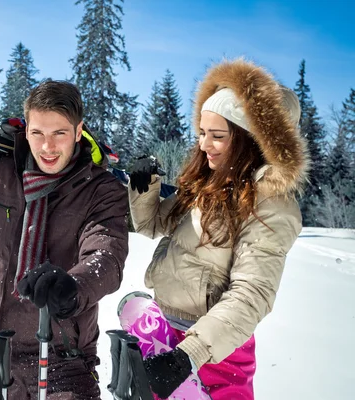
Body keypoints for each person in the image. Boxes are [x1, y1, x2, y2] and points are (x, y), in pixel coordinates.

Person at [0, 79, 129, 399]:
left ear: (77, 131)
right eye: (38, 133)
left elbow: (107, 254)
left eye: (59, 133)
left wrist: (74, 286)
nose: (47, 147)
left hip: (63, 354)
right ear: (26, 129)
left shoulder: (100, 190)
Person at [128, 59, 309, 399]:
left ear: (249, 141)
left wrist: (189, 355)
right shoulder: (208, 184)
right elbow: (152, 225)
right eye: (201, 133)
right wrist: (143, 187)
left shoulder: (271, 204)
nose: (203, 145)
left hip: (215, 352)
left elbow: (252, 294)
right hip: (166, 335)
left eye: (217, 136)